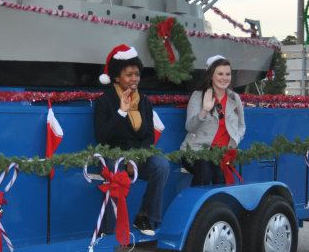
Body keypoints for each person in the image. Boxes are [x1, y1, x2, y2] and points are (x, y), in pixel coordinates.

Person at [93, 44, 169, 236]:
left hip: (137, 155)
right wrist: (121, 112)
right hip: (111, 155)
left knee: (161, 165)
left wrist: (136, 157)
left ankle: (145, 217)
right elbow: (102, 137)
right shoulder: (104, 101)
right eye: (129, 75)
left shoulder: (144, 101)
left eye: (137, 74)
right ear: (117, 77)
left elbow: (149, 136)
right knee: (114, 169)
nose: (134, 78)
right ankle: (109, 229)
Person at [181, 56, 246, 186]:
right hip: (196, 150)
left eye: (227, 74)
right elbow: (190, 127)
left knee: (220, 177)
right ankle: (197, 199)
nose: (224, 78)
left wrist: (235, 141)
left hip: (223, 152)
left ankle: (218, 200)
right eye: (220, 74)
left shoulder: (234, 98)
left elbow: (241, 125)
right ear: (211, 75)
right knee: (205, 171)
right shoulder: (198, 96)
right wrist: (204, 110)